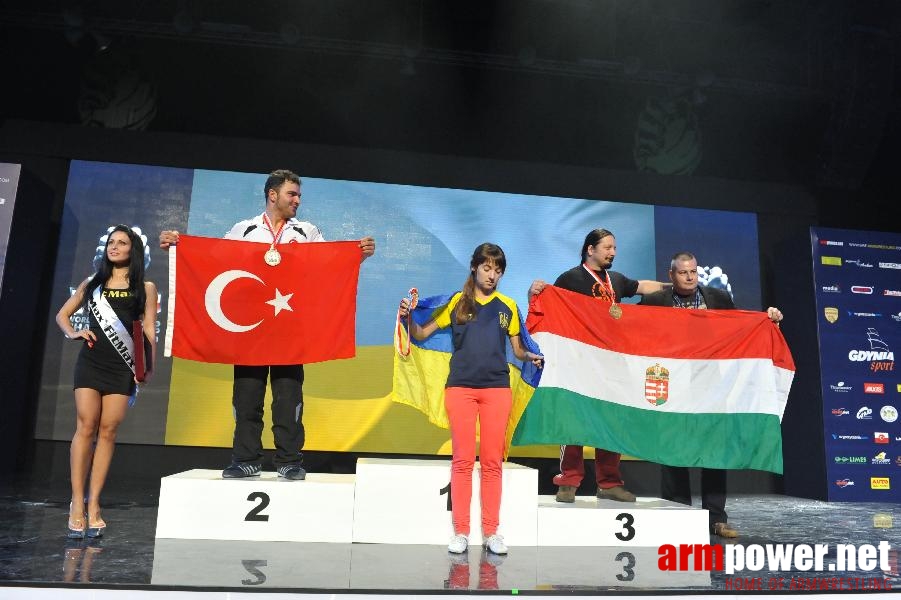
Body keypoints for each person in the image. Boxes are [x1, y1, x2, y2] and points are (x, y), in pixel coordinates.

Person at [159, 169, 375, 481]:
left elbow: (329, 266)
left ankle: (289, 460)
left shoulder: (307, 231)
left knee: (288, 399)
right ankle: (245, 459)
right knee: (247, 398)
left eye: (298, 195)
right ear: (272, 195)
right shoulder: (243, 229)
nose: (297, 200)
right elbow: (214, 262)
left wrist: (357, 257)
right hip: (249, 331)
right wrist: (179, 248)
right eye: (292, 194)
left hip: (290, 330)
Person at [399, 243, 543, 556]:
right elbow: (422, 334)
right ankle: (461, 532)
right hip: (460, 389)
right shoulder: (457, 303)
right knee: (463, 461)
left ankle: (492, 532)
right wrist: (408, 318)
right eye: (487, 268)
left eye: (498, 270)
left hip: (496, 391)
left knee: (492, 463)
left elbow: (517, 349)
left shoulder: (507, 306)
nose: (493, 275)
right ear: (474, 267)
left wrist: (529, 355)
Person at [640, 251, 783, 538]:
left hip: (713, 388)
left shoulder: (718, 298)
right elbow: (634, 330)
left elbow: (741, 328)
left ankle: (716, 518)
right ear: (671, 276)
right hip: (674, 387)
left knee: (715, 453)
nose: (690, 276)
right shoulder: (655, 302)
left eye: (693, 271)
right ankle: (678, 515)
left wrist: (768, 319)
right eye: (683, 272)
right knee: (674, 451)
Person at [528, 228, 665, 504]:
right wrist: (534, 291)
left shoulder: (616, 280)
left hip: (611, 365)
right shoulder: (569, 279)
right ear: (590, 249)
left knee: (611, 421)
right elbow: (548, 308)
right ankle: (568, 481)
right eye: (608, 247)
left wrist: (674, 287)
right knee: (573, 421)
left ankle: (609, 483)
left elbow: (642, 286)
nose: (613, 252)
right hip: (578, 364)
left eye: (615, 248)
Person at [55, 225, 158, 539]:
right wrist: (73, 332)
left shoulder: (146, 286)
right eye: (111, 242)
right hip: (91, 361)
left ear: (133, 249)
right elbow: (63, 315)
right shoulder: (92, 284)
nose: (115, 247)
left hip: (122, 367)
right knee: (86, 425)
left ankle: (94, 503)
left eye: (122, 243)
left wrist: (146, 368)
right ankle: (76, 503)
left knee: (108, 430)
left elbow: (150, 330)